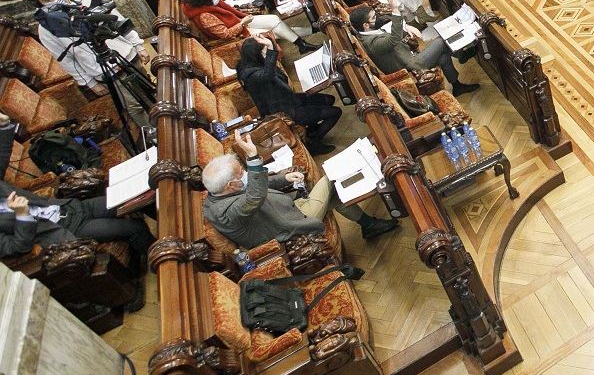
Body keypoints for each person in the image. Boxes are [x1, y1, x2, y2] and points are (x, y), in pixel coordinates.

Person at [0, 113, 154, 288]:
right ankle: (162, 260)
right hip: (68, 228)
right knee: (136, 228)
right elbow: (17, 246)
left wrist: (4, 125)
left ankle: (173, 227)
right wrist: (22, 215)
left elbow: (2, 156)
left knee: (136, 197)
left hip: (73, 207)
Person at [201, 130, 397, 246]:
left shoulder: (220, 192)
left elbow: (255, 186)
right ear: (230, 185)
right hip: (290, 225)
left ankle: (369, 225)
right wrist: (252, 158)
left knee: (337, 191)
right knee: (331, 178)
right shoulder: (224, 213)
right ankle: (381, 179)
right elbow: (254, 196)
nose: (245, 174)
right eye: (240, 174)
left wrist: (284, 178)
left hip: (286, 210)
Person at [23, 0, 149, 99]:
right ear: (37, 2)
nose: (53, 1)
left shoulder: (89, 2)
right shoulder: (46, 29)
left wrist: (138, 45)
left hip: (127, 56)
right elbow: (65, 59)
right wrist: (90, 83)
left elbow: (120, 23)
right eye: (47, 0)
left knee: (148, 89)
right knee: (135, 106)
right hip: (103, 71)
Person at [236, 35, 341, 155]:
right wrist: (270, 48)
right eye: (265, 51)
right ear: (257, 53)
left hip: (288, 99)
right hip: (283, 110)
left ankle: (311, 131)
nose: (268, 54)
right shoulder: (250, 74)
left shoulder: (251, 63)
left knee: (329, 99)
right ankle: (314, 144)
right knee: (335, 112)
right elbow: (267, 75)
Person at [348, 5, 479, 97]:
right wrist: (395, 10)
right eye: (373, 18)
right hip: (409, 66)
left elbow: (388, 34)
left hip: (407, 58)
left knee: (443, 58)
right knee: (440, 42)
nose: (377, 18)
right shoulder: (372, 43)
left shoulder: (365, 34)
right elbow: (393, 39)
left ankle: (457, 86)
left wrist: (406, 27)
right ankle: (462, 54)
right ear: (365, 25)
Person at [180, 0, 317, 53]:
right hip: (238, 31)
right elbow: (225, 34)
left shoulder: (197, 3)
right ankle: (306, 40)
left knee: (275, 20)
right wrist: (242, 23)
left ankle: (305, 40)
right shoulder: (204, 16)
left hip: (239, 21)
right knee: (275, 31)